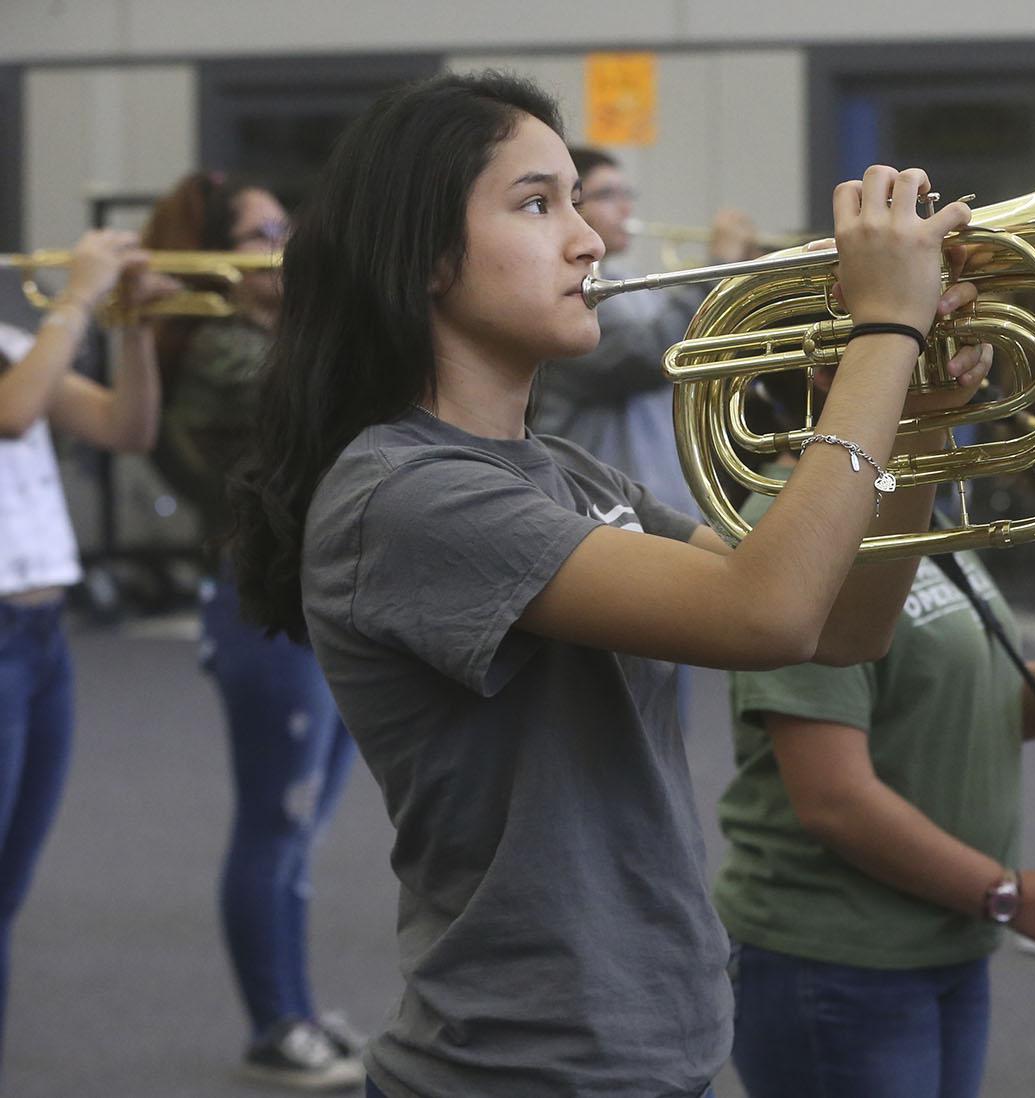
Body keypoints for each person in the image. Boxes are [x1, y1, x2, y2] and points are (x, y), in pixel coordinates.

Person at [227, 71, 990, 1098]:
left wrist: (916, 423)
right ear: (422, 257)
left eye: (578, 203)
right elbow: (764, 611)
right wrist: (885, 340)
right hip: (523, 1066)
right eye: (538, 203)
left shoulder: (569, 475)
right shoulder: (404, 493)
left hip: (642, 1046)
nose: (588, 240)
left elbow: (838, 627)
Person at [719, 437, 1035, 1098]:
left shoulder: (911, 498)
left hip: (946, 939)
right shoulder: (798, 516)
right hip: (839, 962)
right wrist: (1008, 894)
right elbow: (832, 797)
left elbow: (971, 710)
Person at [142, 172, 365, 1087]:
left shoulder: (269, 339)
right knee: (276, 823)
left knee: (303, 827)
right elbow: (332, 405)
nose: (290, 237)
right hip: (259, 607)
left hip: (313, 599)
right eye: (267, 228)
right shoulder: (221, 355)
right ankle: (275, 1022)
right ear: (215, 257)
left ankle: (296, 1006)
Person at [0, 229, 164, 1070]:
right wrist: (80, 296)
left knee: (9, 888)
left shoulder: (15, 346)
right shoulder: (26, 357)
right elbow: (13, 412)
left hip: (40, 632)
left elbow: (125, 428)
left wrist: (132, 326)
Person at [532, 146, 759, 513]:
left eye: (627, 195)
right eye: (607, 195)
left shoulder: (630, 286)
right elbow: (653, 355)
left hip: (669, 507)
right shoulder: (571, 296)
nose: (626, 208)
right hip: (600, 513)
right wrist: (718, 271)